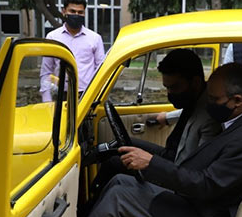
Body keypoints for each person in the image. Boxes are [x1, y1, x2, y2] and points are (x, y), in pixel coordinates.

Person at [78, 63, 242, 217]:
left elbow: (207, 185)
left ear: (237, 100)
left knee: (119, 196)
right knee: (120, 180)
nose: (208, 104)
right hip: (194, 203)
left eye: (214, 99)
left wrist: (151, 163)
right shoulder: (239, 126)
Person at [89, 48, 223, 197]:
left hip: (176, 172)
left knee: (115, 163)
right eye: (167, 88)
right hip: (170, 154)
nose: (170, 94)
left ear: (195, 82)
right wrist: (167, 118)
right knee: (124, 145)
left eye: (174, 87)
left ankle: (92, 201)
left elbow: (193, 174)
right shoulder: (196, 99)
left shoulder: (210, 116)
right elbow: (188, 113)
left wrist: (153, 165)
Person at [40, 0, 105, 102]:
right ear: (64, 11)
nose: (76, 15)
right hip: (61, 96)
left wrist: (98, 96)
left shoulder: (95, 38)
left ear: (84, 13)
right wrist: (46, 100)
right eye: (72, 11)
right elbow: (46, 71)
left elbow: (101, 70)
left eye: (80, 12)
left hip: (87, 96)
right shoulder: (52, 37)